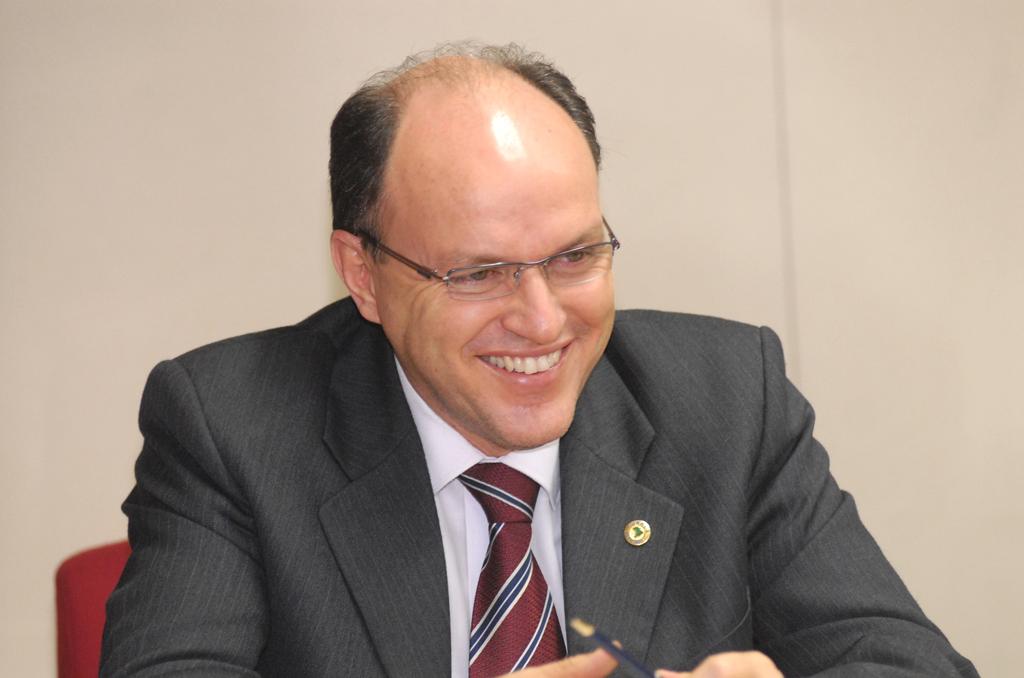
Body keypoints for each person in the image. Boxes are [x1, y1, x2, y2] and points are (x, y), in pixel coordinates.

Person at [101, 43, 976, 677]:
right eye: (479, 273)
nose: (542, 320)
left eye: (575, 256)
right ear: (362, 274)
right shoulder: (232, 427)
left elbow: (907, 662)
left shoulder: (724, 400)